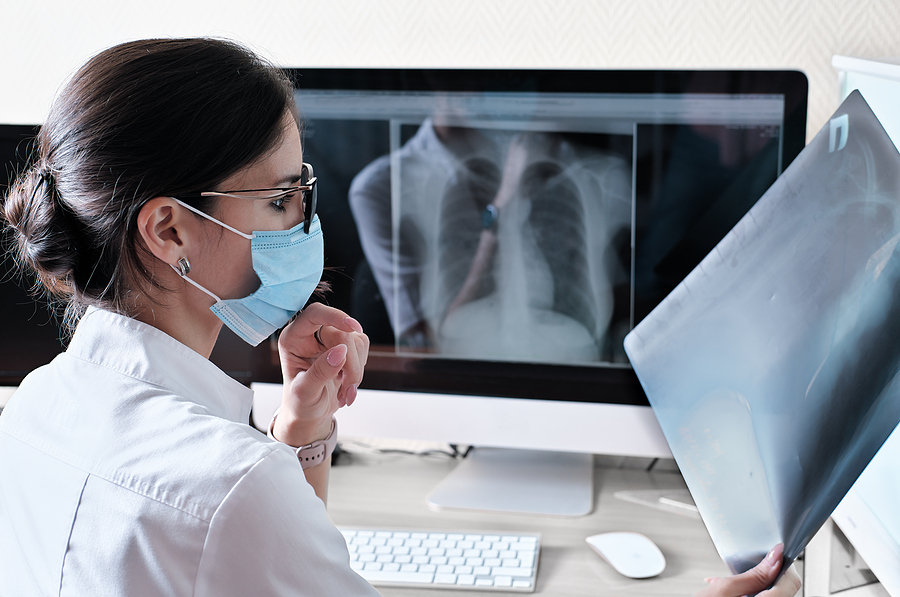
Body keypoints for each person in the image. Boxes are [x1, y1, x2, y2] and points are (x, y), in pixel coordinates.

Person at [0, 38, 799, 597]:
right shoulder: (230, 486)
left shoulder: (33, 411)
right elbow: (245, 519)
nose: (305, 225)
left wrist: (301, 429)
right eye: (280, 199)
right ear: (168, 228)